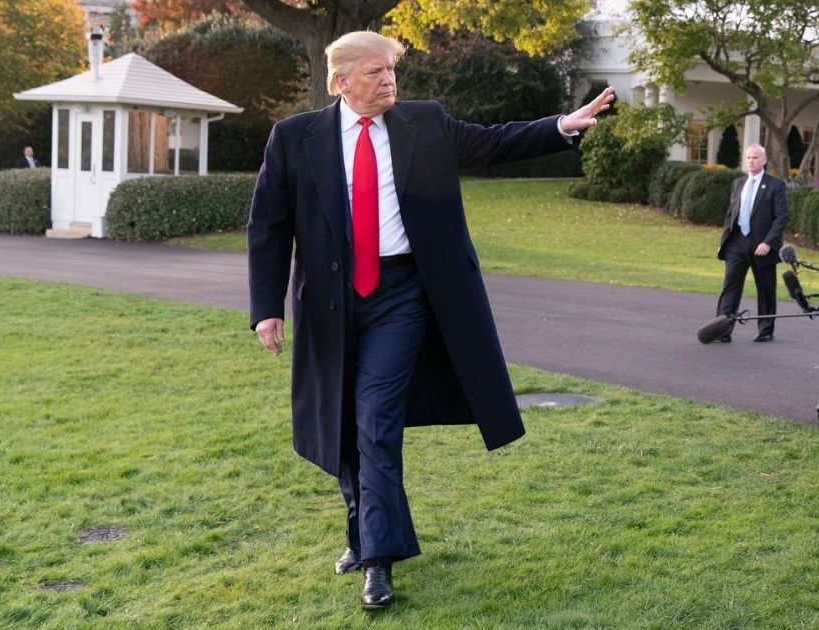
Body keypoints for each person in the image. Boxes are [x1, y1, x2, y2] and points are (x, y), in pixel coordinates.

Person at [247, 31, 614, 610]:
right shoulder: (295, 138)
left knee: (375, 417)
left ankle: (379, 560)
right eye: (375, 72)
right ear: (340, 82)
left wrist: (563, 124)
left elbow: (493, 143)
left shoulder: (426, 121)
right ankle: (361, 530)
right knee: (341, 422)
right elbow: (268, 225)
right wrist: (266, 306)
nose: (389, 80)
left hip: (403, 294)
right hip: (330, 302)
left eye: (392, 69)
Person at [714, 144, 789, 343]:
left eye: (755, 158)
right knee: (730, 287)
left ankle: (765, 330)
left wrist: (768, 242)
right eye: (748, 158)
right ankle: (722, 329)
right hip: (737, 244)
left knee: (765, 288)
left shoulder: (775, 185)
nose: (751, 161)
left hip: (762, 246)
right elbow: (731, 215)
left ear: (764, 160)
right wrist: (724, 243)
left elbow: (781, 217)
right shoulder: (738, 183)